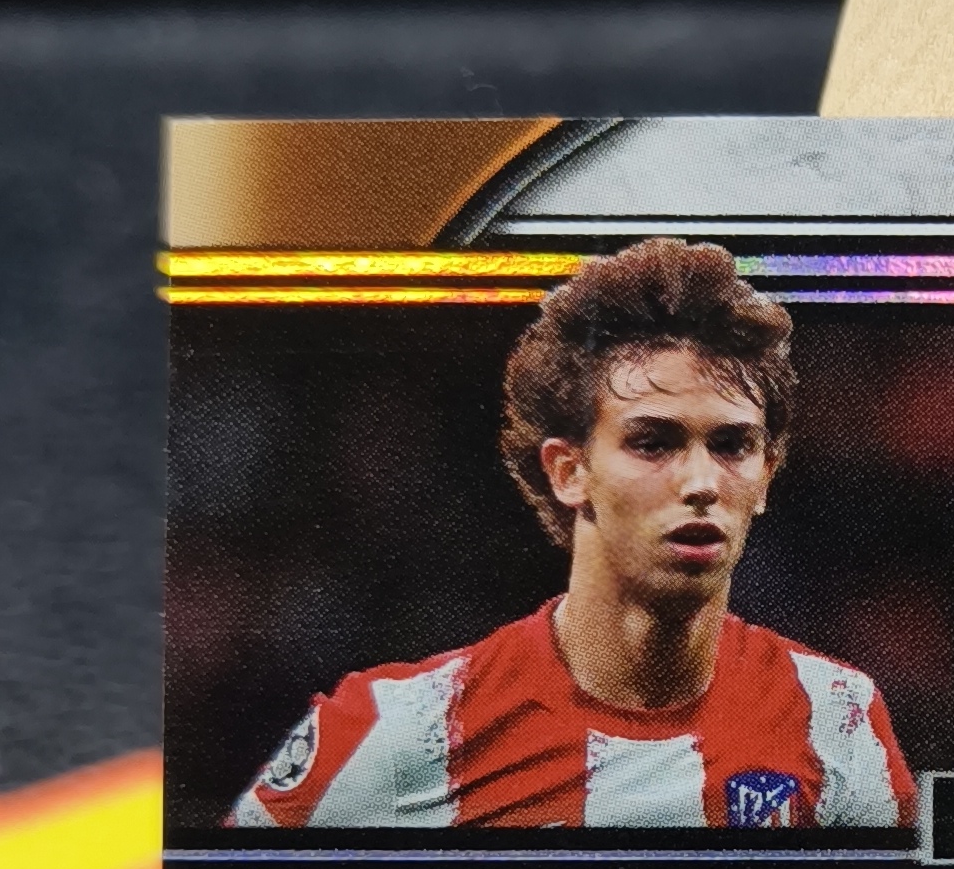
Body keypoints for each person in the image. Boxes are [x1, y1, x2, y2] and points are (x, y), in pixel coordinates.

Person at [229, 238, 917, 831]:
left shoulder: (837, 717)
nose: (701, 481)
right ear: (569, 471)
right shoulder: (399, 727)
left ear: (766, 475)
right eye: (653, 442)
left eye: (732, 445)